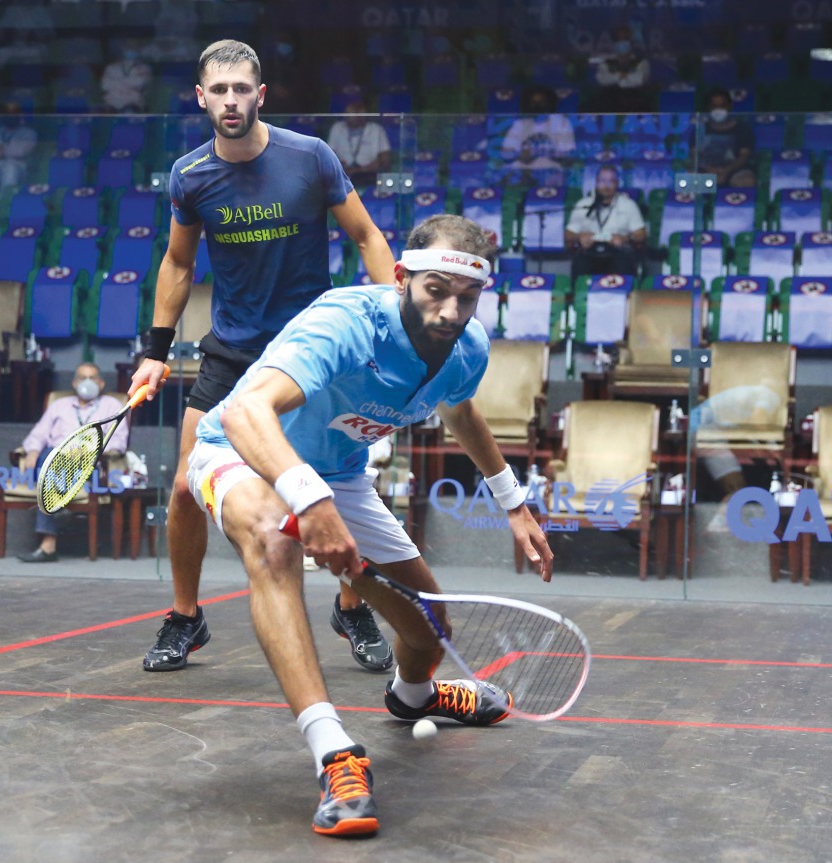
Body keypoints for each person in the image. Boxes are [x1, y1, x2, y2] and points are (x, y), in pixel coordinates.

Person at [177, 213, 553, 836]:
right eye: (436, 290)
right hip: (238, 453)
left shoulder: (467, 347)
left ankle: (416, 698)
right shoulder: (346, 322)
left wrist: (511, 500)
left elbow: (458, 409)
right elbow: (247, 410)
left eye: (467, 297)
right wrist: (307, 500)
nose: (451, 311)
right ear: (402, 278)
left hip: (340, 478)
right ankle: (336, 755)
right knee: (273, 540)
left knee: (428, 630)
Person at [129, 40, 397, 674]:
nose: (230, 100)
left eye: (240, 89)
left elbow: (366, 234)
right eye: (218, 91)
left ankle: (352, 605)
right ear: (202, 97)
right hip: (231, 354)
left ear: (260, 95)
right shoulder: (191, 175)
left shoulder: (311, 157)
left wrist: (389, 318)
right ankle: (186, 618)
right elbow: (177, 262)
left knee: (340, 484)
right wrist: (154, 352)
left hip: (312, 352)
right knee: (186, 491)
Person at [17, 364, 126, 563]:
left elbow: (118, 439)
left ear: (101, 383)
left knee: (55, 463)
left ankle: (49, 543)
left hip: (88, 461)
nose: (87, 382)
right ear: (74, 383)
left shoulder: (111, 405)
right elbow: (39, 434)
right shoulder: (59, 405)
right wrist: (32, 451)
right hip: (52, 458)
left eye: (92, 378)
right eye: (82, 378)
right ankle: (59, 506)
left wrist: (99, 451)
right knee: (50, 457)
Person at [564, 164, 646, 278]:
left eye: (610, 181)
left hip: (618, 252)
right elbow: (568, 234)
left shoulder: (628, 205)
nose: (606, 186)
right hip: (589, 251)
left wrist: (625, 238)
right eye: (602, 181)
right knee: (580, 261)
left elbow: (641, 234)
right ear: (596, 183)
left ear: (617, 184)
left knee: (624, 260)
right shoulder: (583, 205)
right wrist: (580, 237)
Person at [498, 85, 576, 187]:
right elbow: (505, 153)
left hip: (550, 169)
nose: (537, 106)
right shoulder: (519, 123)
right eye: (533, 102)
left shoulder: (561, 122)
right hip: (522, 171)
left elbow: (568, 154)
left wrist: (544, 153)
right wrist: (520, 155)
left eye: (542, 102)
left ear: (550, 103)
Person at [692, 87, 756, 188]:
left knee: (747, 180)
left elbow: (744, 156)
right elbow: (694, 155)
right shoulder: (700, 129)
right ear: (709, 108)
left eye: (722, 106)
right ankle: (702, 203)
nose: (718, 109)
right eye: (714, 106)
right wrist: (711, 171)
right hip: (706, 171)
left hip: (734, 171)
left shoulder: (742, 129)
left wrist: (725, 170)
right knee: (686, 182)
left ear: (729, 106)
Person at [325, 97, 392, 189]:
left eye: (350, 114)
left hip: (368, 174)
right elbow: (328, 155)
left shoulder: (376, 129)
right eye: (346, 113)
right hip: (342, 173)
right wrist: (339, 164)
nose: (346, 116)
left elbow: (385, 160)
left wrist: (360, 170)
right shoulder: (337, 127)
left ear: (361, 116)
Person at [591, 24, 651, 113]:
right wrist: (622, 76)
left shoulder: (642, 62)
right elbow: (602, 79)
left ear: (631, 42)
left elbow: (640, 80)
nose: (622, 43)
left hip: (636, 105)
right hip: (610, 105)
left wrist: (617, 79)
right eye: (618, 40)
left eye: (625, 40)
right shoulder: (606, 63)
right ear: (614, 43)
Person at [100, 43, 154, 114]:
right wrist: (129, 85)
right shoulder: (111, 68)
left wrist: (116, 82)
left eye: (133, 48)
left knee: (129, 112)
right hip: (112, 104)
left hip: (133, 103)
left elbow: (139, 83)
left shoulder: (144, 68)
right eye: (128, 47)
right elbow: (105, 85)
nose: (130, 50)